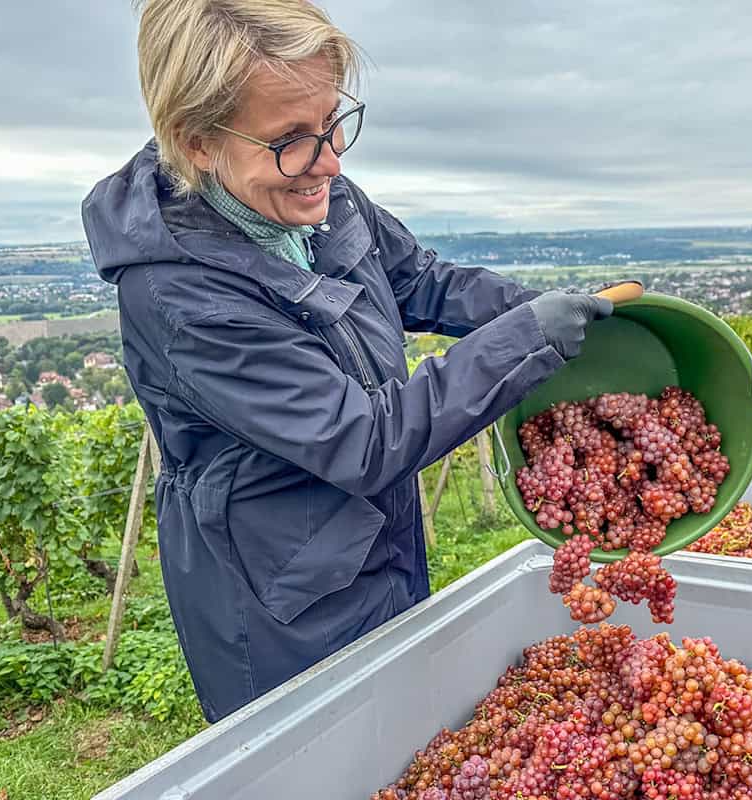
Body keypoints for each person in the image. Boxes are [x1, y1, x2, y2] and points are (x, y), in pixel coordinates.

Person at [81, 0, 612, 723]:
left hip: (376, 538)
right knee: (329, 753)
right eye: (293, 139)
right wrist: (526, 342)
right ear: (196, 141)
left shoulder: (311, 192)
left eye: (334, 123)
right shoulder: (180, 296)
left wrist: (545, 309)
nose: (329, 161)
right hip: (282, 597)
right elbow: (362, 440)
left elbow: (421, 279)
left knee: (410, 729)